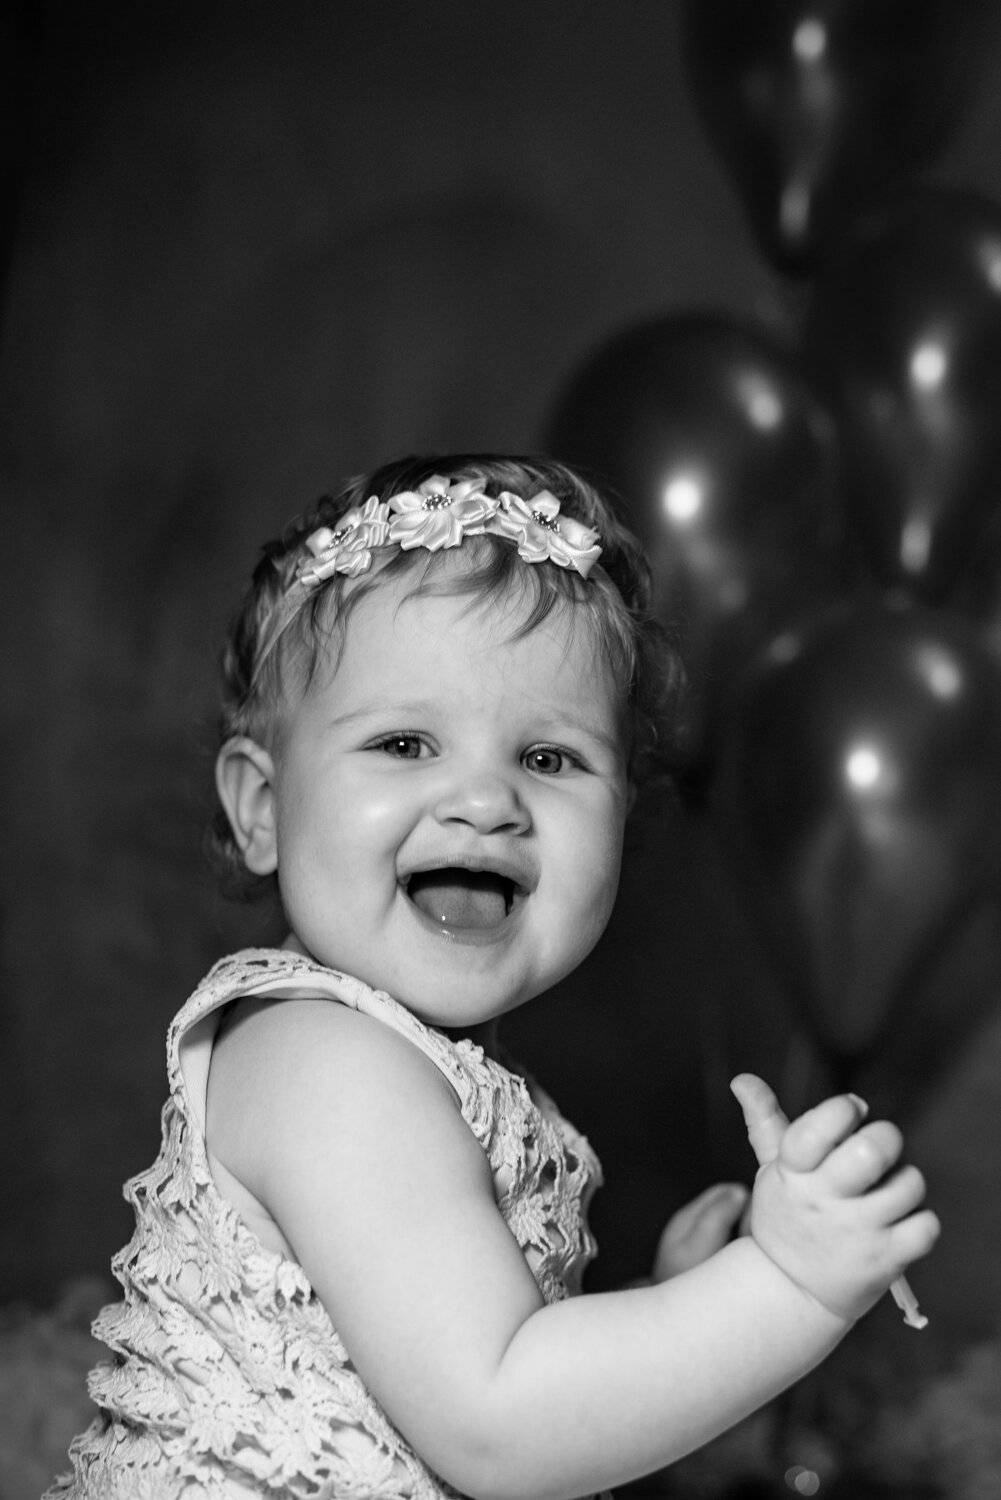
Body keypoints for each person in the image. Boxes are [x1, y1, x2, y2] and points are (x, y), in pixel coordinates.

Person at [47, 454, 939, 1499]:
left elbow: (479, 1359)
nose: (484, 801)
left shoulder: (413, 1058)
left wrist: (664, 1316)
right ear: (260, 809)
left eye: (548, 759)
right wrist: (783, 1287)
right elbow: (498, 1426)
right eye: (403, 742)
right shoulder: (324, 1062)